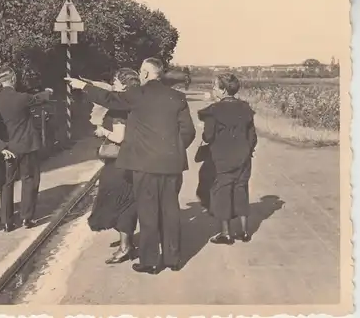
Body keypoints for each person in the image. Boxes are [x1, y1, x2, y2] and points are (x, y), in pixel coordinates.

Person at [66, 58, 196, 274]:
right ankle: (173, 259)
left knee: (148, 212)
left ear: (145, 74)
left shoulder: (138, 95)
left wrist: (83, 87)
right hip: (172, 165)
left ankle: (151, 261)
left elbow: (109, 98)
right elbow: (189, 131)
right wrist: (173, 150)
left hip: (144, 165)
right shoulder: (177, 97)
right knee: (170, 210)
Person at [86, 68, 140, 264]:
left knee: (117, 202)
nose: (113, 85)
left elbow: (119, 136)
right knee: (126, 202)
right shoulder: (135, 102)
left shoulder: (119, 108)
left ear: (124, 84)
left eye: (115, 82)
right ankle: (127, 243)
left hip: (118, 163)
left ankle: (125, 247)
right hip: (131, 160)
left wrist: (102, 132)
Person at [0, 65, 50, 232]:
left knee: (7, 184)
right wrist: (48, 92)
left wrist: (2, 147)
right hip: (27, 146)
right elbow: (39, 99)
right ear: (13, 79)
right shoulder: (22, 98)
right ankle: (26, 218)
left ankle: (7, 222)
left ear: (0, 81)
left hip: (8, 149)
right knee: (29, 180)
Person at [197, 73, 258, 245]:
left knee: (222, 193)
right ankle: (245, 232)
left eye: (215, 87)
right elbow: (253, 137)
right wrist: (247, 150)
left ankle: (226, 234)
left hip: (222, 159)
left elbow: (208, 137)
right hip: (244, 158)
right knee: (241, 190)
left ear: (223, 90)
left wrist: (204, 130)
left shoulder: (214, 111)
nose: (213, 89)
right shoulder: (245, 108)